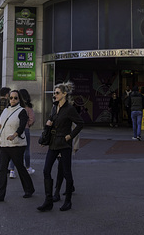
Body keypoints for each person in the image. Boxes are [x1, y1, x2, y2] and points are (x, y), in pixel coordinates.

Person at [38, 81, 84, 212]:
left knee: (66, 172)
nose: (54, 95)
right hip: (53, 143)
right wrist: (46, 132)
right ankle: (48, 200)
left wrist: (70, 135)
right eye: (54, 93)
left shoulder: (69, 109)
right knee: (46, 170)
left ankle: (68, 201)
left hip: (64, 144)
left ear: (64, 94)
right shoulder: (54, 107)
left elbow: (80, 123)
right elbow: (51, 122)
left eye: (57, 93)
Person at [0, 90, 34, 202]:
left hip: (16, 145)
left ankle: (29, 189)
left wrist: (14, 135)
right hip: (4, 144)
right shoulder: (5, 110)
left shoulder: (22, 111)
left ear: (19, 99)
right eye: (11, 98)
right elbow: (1, 122)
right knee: (2, 170)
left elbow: (22, 127)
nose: (13, 100)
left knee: (20, 167)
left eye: (15, 98)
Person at [19, 88, 35, 174]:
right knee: (26, 150)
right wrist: (28, 124)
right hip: (25, 129)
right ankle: (28, 167)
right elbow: (32, 119)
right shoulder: (28, 107)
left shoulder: (17, 107)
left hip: (16, 130)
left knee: (15, 150)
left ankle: (12, 169)